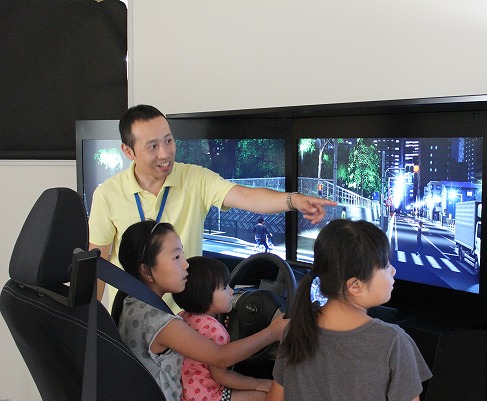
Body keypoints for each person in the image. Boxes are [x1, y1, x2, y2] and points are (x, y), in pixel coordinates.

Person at [89, 104, 336, 302]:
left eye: (168, 141)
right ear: (128, 151)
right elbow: (98, 262)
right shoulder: (108, 193)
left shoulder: (195, 178)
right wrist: (91, 326)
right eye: (152, 146)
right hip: (129, 321)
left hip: (186, 315)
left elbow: (246, 197)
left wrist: (293, 200)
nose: (165, 153)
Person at [112, 220, 288, 401]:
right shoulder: (161, 322)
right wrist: (273, 332)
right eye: (176, 257)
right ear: (147, 271)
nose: (186, 264)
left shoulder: (130, 300)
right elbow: (221, 358)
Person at [260, 219, 432, 401]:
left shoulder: (296, 328)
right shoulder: (393, 342)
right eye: (386, 265)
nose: (393, 271)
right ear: (355, 286)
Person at [173, 256, 271, 401]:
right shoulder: (214, 330)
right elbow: (222, 377)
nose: (232, 291)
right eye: (225, 287)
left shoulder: (182, 317)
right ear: (204, 295)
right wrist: (258, 383)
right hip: (205, 398)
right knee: (267, 399)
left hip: (187, 396)